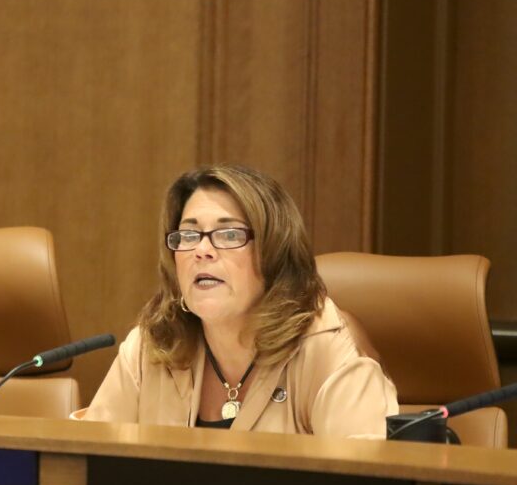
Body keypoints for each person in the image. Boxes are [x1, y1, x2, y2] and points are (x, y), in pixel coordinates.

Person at [78, 164, 396, 436]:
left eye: (229, 234)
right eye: (188, 235)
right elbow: (87, 464)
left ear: (274, 251)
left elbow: (368, 482)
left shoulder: (326, 349)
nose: (202, 250)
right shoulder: (154, 345)